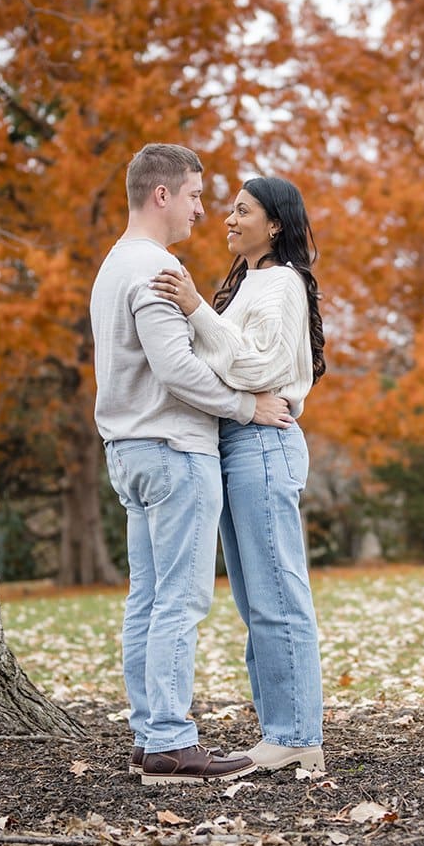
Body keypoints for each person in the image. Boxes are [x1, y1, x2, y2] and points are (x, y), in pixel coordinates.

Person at [90, 144, 294, 787]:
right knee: (177, 601)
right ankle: (173, 744)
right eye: (197, 196)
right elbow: (176, 368)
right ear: (162, 196)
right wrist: (244, 406)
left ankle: (151, 734)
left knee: (147, 600)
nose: (204, 210)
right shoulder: (154, 266)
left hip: (130, 450)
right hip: (174, 450)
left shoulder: (112, 266)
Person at [151, 175, 326, 776]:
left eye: (241, 211)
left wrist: (197, 309)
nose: (226, 218)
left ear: (274, 224)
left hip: (264, 443)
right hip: (239, 442)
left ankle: (298, 735)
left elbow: (260, 365)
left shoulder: (280, 283)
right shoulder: (250, 282)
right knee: (259, 603)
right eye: (227, 209)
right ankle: (284, 730)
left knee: (278, 597)